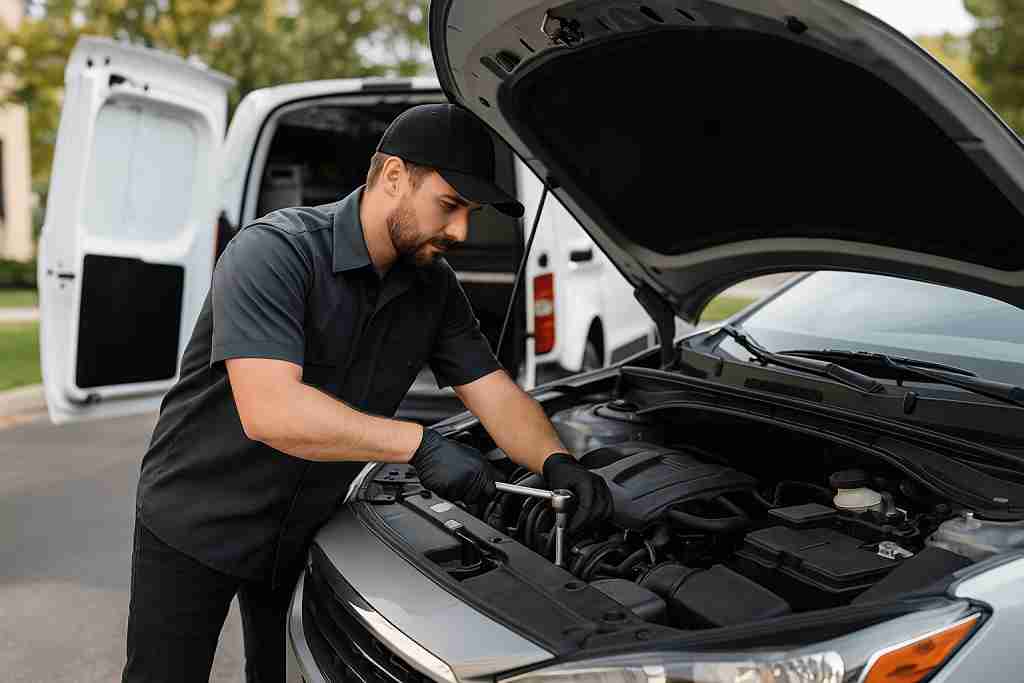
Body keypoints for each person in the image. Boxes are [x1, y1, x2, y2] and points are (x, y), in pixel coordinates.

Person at [122, 103, 613, 682]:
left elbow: (496, 394)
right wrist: (418, 444)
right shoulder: (275, 252)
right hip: (197, 519)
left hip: (302, 529)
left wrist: (556, 461)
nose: (461, 231)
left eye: (471, 213)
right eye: (450, 206)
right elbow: (271, 411)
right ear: (394, 177)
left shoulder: (435, 289)